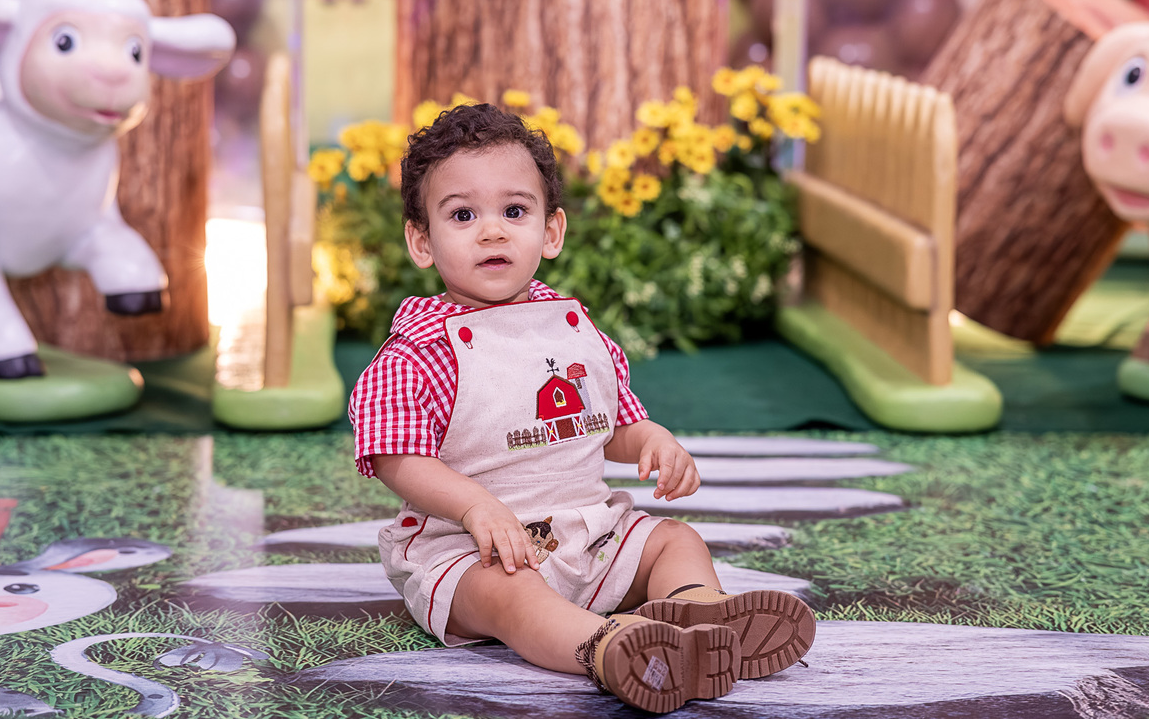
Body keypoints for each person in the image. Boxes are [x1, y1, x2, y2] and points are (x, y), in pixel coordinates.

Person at [349, 103, 815, 713]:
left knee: (673, 539)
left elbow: (609, 426)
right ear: (422, 240)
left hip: (586, 534)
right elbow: (395, 458)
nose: (492, 231)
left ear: (550, 231)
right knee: (515, 598)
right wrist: (476, 507)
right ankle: (608, 647)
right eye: (462, 214)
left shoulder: (575, 331)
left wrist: (651, 438)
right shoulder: (421, 351)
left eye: (514, 211)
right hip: (471, 551)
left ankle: (700, 617)